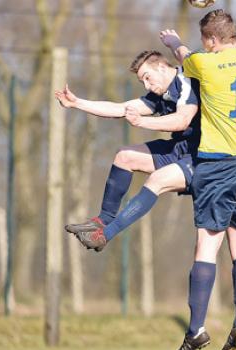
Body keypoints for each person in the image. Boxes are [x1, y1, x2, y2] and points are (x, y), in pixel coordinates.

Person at [160, 9, 236, 350]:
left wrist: (173, 40)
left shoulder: (206, 64)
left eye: (206, 43)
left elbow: (184, 57)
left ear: (211, 40)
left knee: (206, 249)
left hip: (219, 164)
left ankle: (196, 330)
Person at [55, 50, 200, 252]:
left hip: (202, 155)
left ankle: (104, 236)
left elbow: (181, 120)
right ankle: (103, 220)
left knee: (157, 180)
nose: (147, 85)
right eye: (143, 82)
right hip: (179, 149)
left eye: (147, 78)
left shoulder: (187, 81)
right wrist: (77, 103)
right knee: (124, 156)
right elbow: (120, 108)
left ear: (161, 67)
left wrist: (142, 122)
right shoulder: (160, 94)